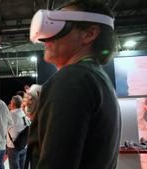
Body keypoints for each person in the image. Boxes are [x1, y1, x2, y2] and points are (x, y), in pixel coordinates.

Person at [26, 1, 121, 169]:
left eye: (61, 25)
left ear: (90, 34)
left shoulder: (73, 78)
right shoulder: (96, 79)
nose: (47, 36)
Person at [7, 95, 30, 169]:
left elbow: (5, 129)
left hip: (14, 147)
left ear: (13, 104)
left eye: (11, 102)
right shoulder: (24, 114)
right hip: (24, 145)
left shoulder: (11, 115)